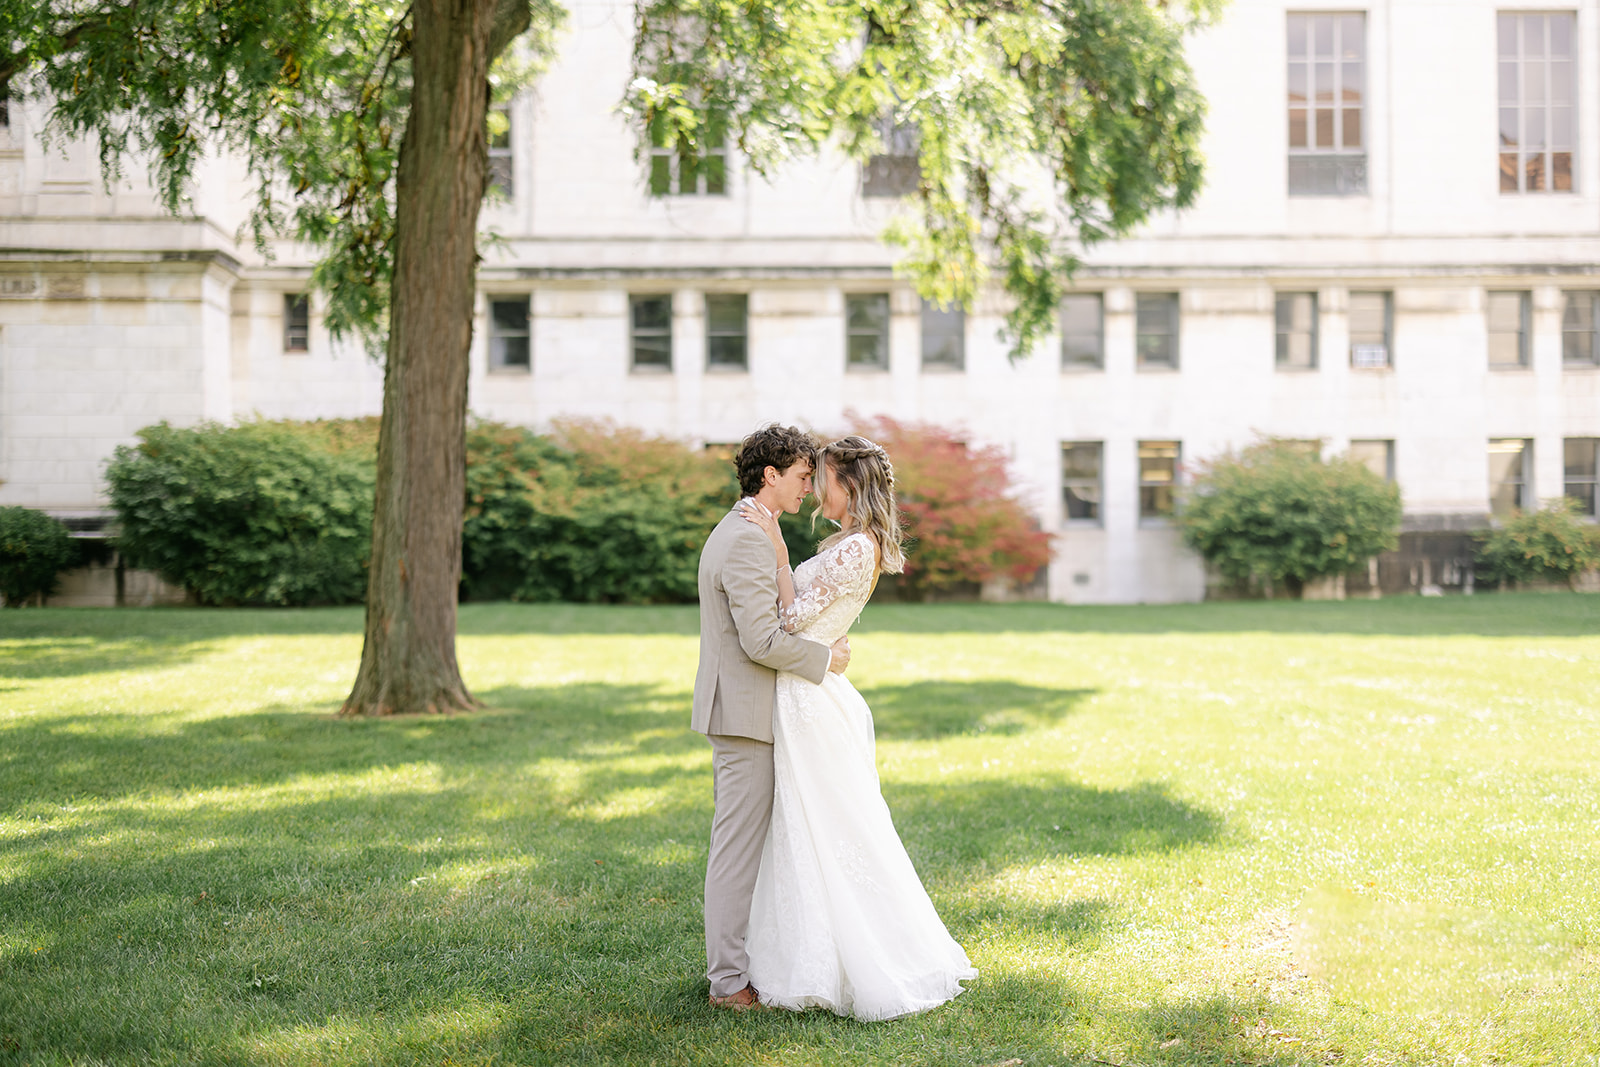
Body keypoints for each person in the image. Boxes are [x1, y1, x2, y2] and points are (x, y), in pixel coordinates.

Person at [738, 435, 977, 1021]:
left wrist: (773, 550)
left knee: (829, 826)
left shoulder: (853, 550)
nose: (815, 485)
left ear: (847, 485)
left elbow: (790, 619)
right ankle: (802, 954)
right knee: (806, 825)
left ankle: (858, 959)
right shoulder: (847, 543)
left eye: (823, 477)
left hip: (808, 697)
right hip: (807, 688)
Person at [692, 424, 853, 1011]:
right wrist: (825, 659)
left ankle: (744, 966)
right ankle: (728, 983)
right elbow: (760, 641)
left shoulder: (758, 532)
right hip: (744, 714)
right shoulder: (745, 538)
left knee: (748, 848)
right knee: (736, 851)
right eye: (804, 476)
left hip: (752, 710)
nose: (810, 488)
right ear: (771, 475)